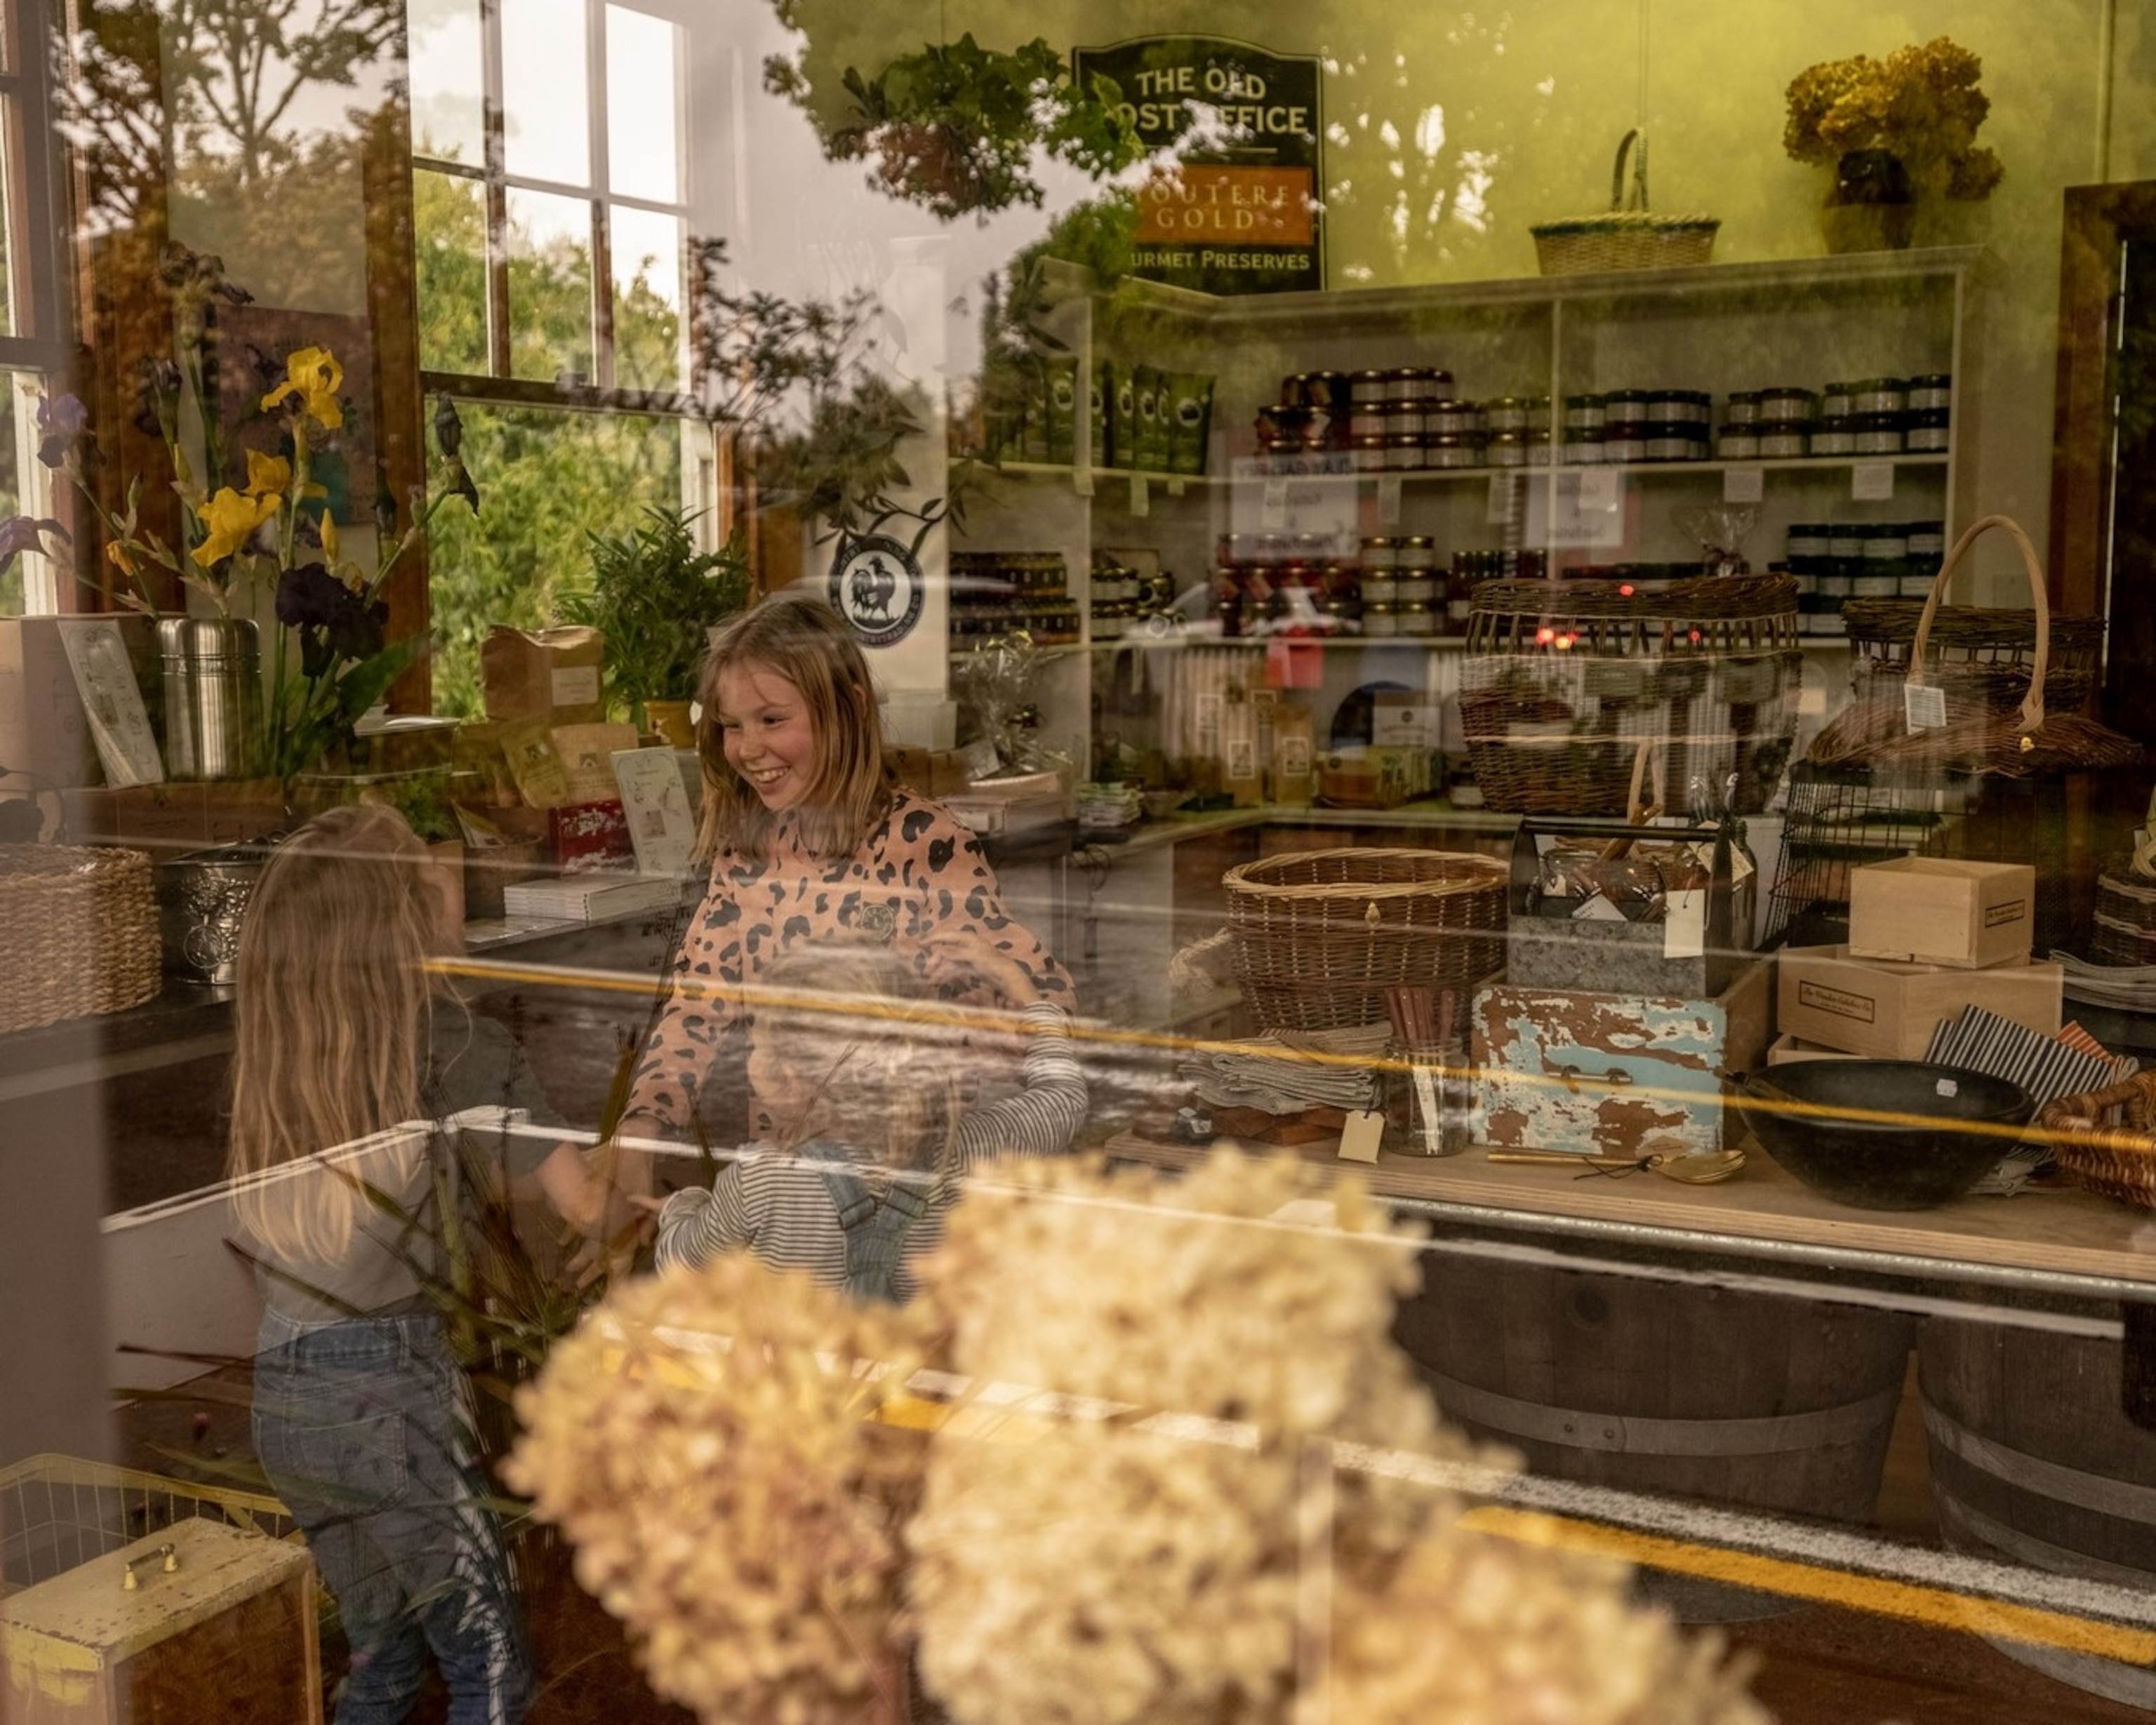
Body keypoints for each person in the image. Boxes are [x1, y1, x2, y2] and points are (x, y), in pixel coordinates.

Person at [227, 804, 615, 1725]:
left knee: (385, 1657)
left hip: (286, 1382)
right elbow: (585, 1206)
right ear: (399, 921)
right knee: (489, 1668)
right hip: (392, 1389)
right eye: (425, 867)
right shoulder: (458, 1042)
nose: (449, 870)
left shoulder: (292, 1053)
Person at [612, 594, 1075, 1169]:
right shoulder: (744, 852)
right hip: (798, 1175)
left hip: (915, 1179)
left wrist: (972, 1022)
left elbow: (1042, 995)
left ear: (849, 708)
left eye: (772, 720)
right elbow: (697, 1008)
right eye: (732, 726)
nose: (748, 749)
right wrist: (643, 1128)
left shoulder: (925, 842)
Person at [648, 939, 1086, 1302]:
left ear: (789, 1079)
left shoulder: (761, 1180)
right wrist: (1017, 985)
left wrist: (680, 1207)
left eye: (755, 1042)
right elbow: (1063, 1098)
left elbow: (683, 1267)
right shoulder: (970, 1150)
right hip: (920, 1382)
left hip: (800, 1384)